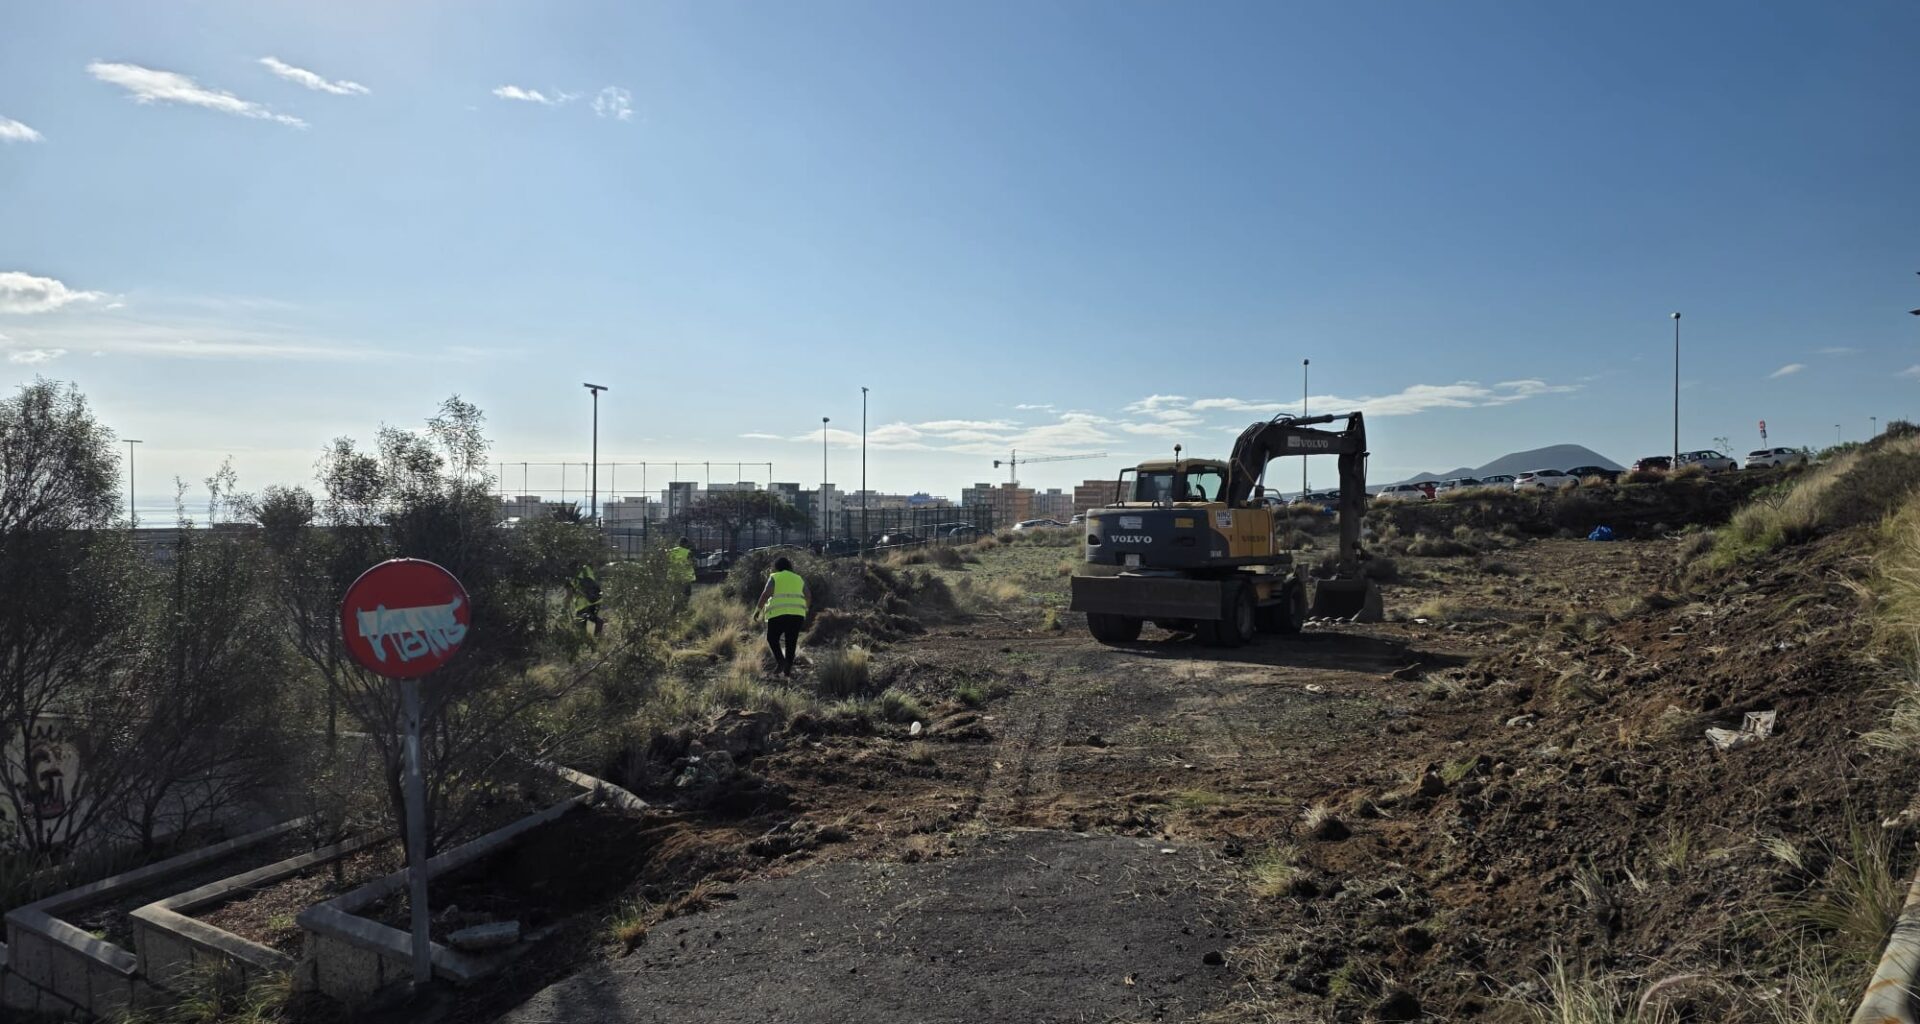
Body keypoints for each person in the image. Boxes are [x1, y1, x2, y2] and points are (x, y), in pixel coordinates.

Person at [754, 556, 810, 678]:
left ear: (777, 567)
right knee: (791, 641)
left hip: (778, 614)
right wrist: (805, 609)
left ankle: (781, 661)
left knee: (772, 638)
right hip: (797, 615)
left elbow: (765, 594)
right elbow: (808, 595)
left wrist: (758, 610)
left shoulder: (775, 577)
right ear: (790, 566)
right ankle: (787, 670)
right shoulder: (798, 578)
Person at [571, 562, 604, 636]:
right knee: (592, 618)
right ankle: (596, 638)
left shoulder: (575, 575)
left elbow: (571, 592)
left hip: (584, 603)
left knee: (581, 621)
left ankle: (583, 641)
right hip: (595, 600)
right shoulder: (586, 569)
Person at [669, 537, 697, 601]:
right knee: (687, 594)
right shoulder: (688, 553)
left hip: (674, 576)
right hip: (685, 577)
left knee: (675, 593)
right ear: (686, 544)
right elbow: (694, 564)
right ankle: (684, 607)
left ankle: (675, 606)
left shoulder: (672, 551)